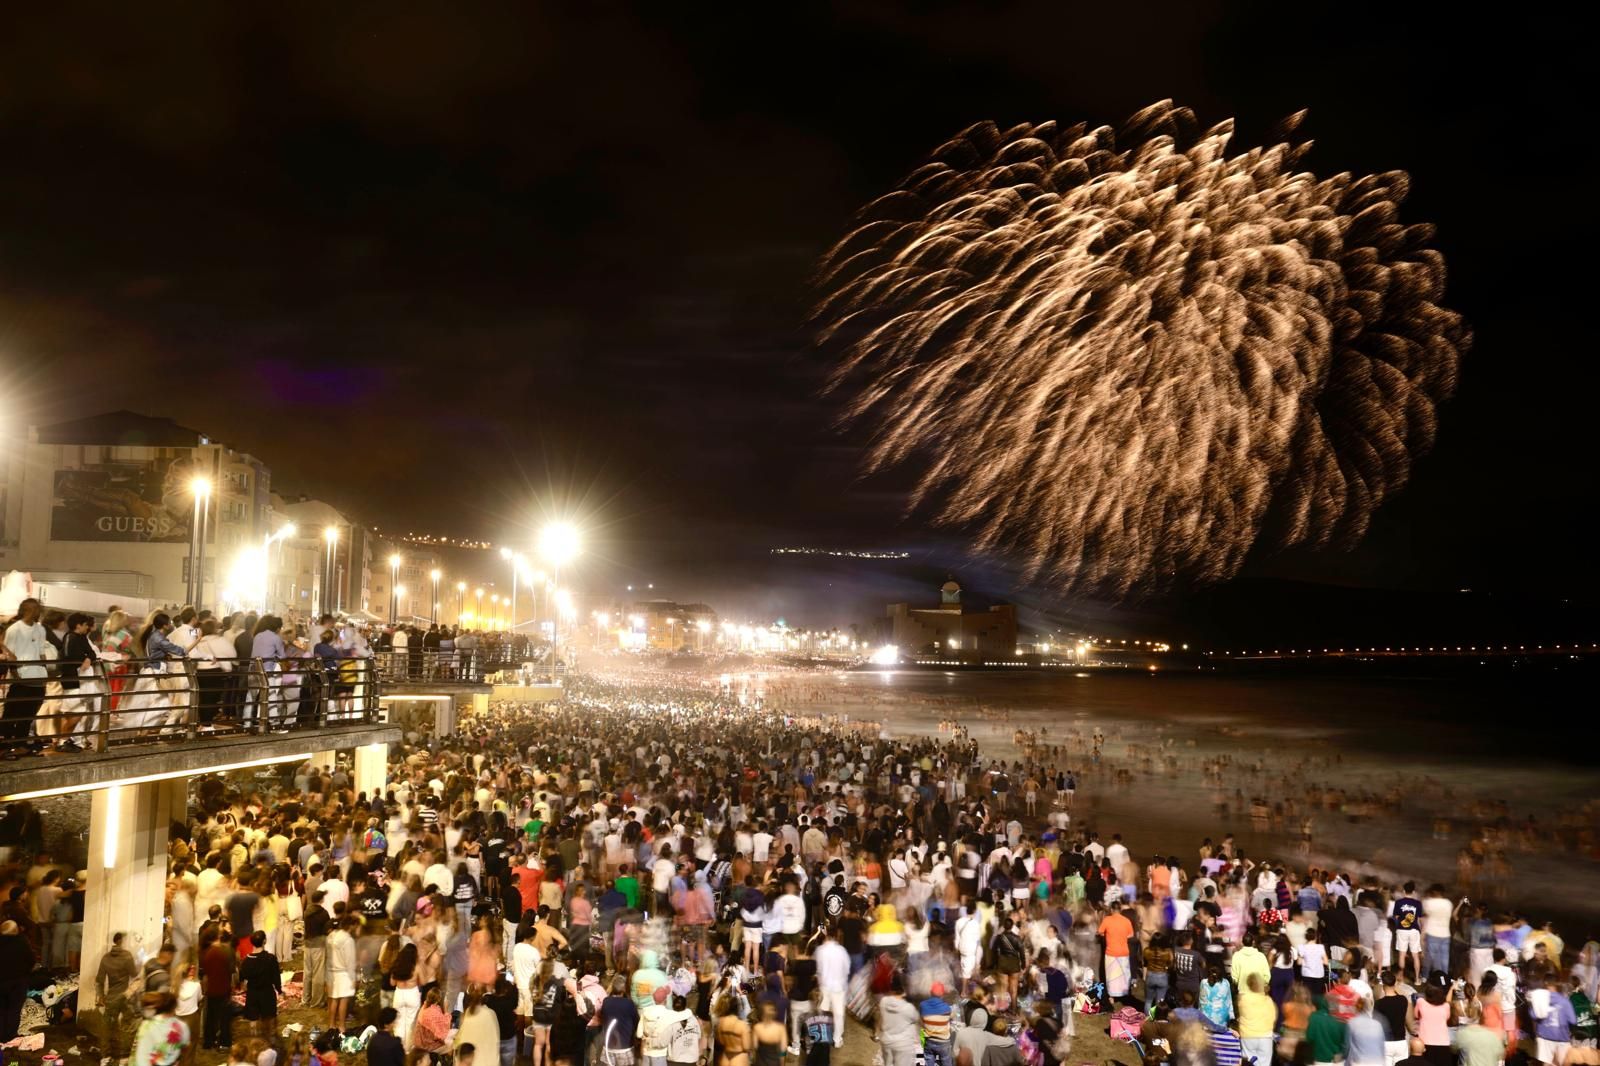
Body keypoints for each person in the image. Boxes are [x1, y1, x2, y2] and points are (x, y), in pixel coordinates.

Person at [239, 930, 282, 1036]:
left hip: (252, 993)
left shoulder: (246, 961)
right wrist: (279, 991)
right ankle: (270, 1037)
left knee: (253, 1019)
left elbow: (242, 980)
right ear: (264, 941)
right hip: (267, 992)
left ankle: (255, 1039)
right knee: (269, 1018)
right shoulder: (270, 959)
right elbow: (276, 978)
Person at [130, 990, 191, 1066]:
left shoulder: (147, 1025)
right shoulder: (182, 1026)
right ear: (174, 1007)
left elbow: (141, 1052)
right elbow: (185, 1047)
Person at [0, 919, 35, 1042]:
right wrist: (25, 972)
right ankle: (10, 1035)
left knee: (1, 1009)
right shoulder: (21, 942)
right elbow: (31, 960)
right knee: (14, 1009)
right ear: (16, 931)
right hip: (18, 981)